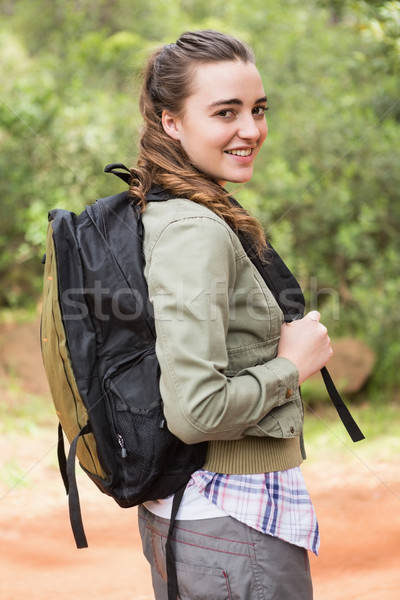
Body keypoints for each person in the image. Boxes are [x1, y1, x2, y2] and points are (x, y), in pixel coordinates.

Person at [131, 30, 332, 600]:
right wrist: (293, 365)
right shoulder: (193, 230)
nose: (251, 130)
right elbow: (196, 412)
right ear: (171, 122)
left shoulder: (177, 208)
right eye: (226, 112)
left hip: (204, 520)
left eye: (258, 110)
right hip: (230, 522)